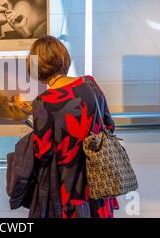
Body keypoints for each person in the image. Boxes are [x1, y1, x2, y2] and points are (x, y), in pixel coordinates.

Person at [27, 36, 119, 218]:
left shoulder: (43, 102)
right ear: (63, 57)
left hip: (68, 188)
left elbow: (43, 153)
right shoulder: (90, 84)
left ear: (36, 65)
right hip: (100, 180)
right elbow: (109, 125)